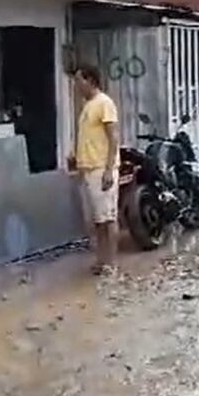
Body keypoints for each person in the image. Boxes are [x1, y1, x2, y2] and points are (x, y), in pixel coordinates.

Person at [70, 64, 120, 275]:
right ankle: (101, 260)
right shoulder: (88, 105)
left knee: (108, 218)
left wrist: (109, 169)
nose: (76, 86)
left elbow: (113, 138)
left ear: (90, 80)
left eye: (79, 81)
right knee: (98, 220)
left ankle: (111, 262)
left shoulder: (104, 103)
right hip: (89, 169)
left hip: (101, 169)